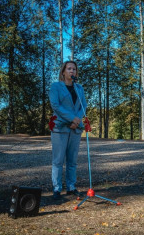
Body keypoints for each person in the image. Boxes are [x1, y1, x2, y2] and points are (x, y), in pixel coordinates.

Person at [49, 61, 87, 200]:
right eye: (69, 69)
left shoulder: (79, 88)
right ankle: (57, 188)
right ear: (63, 72)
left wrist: (77, 120)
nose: (72, 71)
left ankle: (71, 187)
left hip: (75, 129)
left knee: (72, 160)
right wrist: (72, 118)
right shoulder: (56, 87)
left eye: (74, 69)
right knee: (58, 160)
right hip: (60, 128)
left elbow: (84, 105)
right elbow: (56, 106)